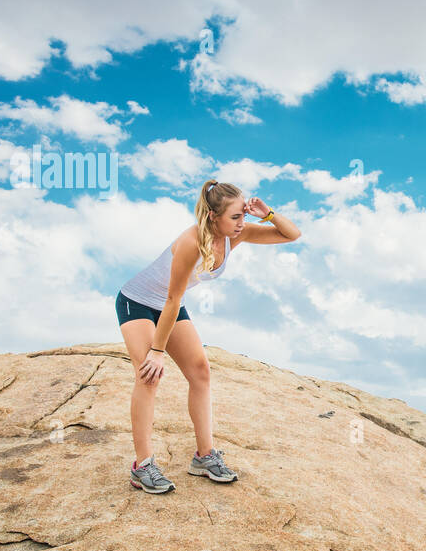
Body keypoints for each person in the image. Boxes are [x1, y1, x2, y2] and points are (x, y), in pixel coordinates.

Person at [114, 179, 301, 493]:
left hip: (171, 305)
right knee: (149, 375)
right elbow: (171, 299)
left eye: (244, 215)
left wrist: (266, 213)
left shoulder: (234, 236)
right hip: (139, 302)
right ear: (214, 216)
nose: (243, 223)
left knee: (200, 372)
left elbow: (291, 234)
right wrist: (157, 351)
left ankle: (203, 457)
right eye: (236, 217)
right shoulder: (191, 241)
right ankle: (142, 465)